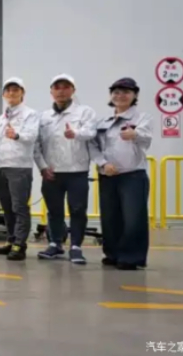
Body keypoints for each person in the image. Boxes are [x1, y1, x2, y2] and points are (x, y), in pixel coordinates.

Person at [34, 74, 98, 264]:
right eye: (57, 87)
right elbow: (36, 145)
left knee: (78, 209)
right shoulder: (44, 116)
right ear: (51, 91)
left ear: (73, 90)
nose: (61, 91)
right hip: (51, 172)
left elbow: (91, 132)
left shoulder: (85, 112)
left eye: (65, 87)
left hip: (77, 171)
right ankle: (55, 243)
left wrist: (76, 133)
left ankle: (76, 246)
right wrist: (43, 167)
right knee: (54, 211)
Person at [91, 78, 153, 270]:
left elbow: (146, 138)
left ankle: (131, 257)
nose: (121, 96)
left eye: (126, 92)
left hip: (132, 175)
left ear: (134, 95)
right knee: (110, 217)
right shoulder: (104, 121)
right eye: (116, 92)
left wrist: (135, 135)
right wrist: (103, 163)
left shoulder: (142, 118)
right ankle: (113, 253)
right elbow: (93, 145)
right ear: (111, 96)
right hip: (108, 174)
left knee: (133, 218)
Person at [0, 77, 39, 261]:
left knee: (19, 207)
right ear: (3, 95)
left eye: (16, 90)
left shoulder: (30, 115)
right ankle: (11, 240)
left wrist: (16, 135)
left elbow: (32, 136)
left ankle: (20, 244)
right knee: (7, 207)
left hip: (19, 167)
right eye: (8, 90)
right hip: (1, 167)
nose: (12, 93)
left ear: (22, 93)